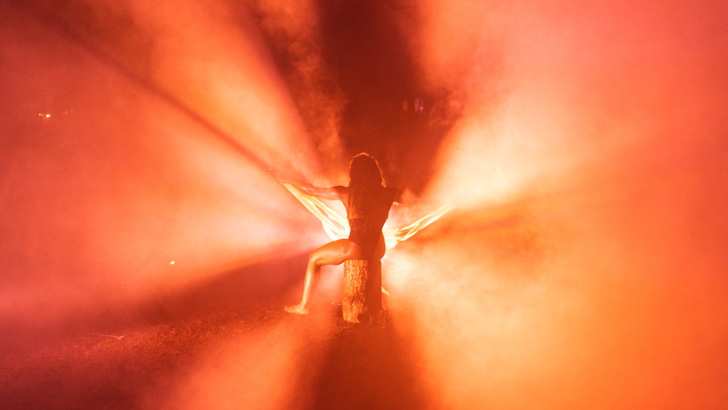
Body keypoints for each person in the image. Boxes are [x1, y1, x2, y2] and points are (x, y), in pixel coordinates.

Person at [281, 153, 399, 315]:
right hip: (378, 249)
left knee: (314, 258)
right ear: (376, 173)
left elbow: (312, 190)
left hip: (356, 248)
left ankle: (303, 306)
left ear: (353, 174)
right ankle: (377, 304)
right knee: (374, 241)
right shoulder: (389, 193)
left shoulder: (346, 193)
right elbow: (415, 202)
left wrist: (289, 180)